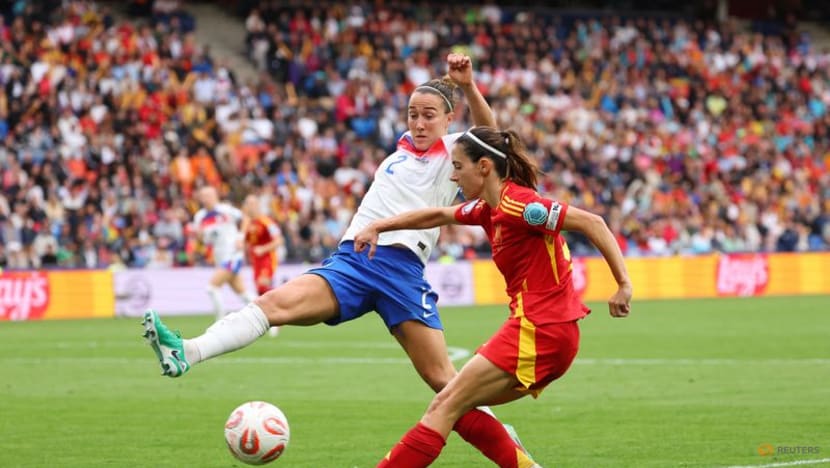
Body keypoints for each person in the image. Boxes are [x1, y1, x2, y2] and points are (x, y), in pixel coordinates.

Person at [142, 53, 537, 465]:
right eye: (412, 115)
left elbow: (491, 136)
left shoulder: (452, 154)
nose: (419, 123)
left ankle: (506, 445)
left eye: (429, 116)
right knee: (272, 304)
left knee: (444, 381)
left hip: (401, 270)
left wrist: (468, 85)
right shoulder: (396, 156)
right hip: (352, 262)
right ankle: (187, 351)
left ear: (448, 119)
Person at [352, 126, 633, 467]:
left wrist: (623, 284)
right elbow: (437, 214)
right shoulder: (488, 209)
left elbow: (593, 223)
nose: (453, 176)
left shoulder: (520, 206)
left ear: (484, 166)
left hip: (539, 329)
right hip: (549, 332)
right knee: (457, 405)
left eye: (458, 167)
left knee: (445, 405)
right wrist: (378, 226)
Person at [192, 186, 257, 320]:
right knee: (242, 292)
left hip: (232, 254)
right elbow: (202, 240)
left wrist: (240, 238)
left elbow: (245, 218)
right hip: (219, 256)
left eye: (209, 195)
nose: (206, 199)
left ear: (215, 196)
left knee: (212, 288)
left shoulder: (225, 209)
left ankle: (220, 321)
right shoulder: (200, 216)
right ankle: (270, 317)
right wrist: (199, 236)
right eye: (203, 196)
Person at [241, 193, 284, 336]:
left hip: (267, 258)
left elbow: (279, 241)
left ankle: (279, 316)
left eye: (252, 203)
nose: (250, 207)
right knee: (260, 291)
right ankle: (274, 316)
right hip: (256, 261)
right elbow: (246, 242)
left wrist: (263, 249)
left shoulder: (267, 222)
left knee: (263, 286)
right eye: (248, 204)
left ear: (258, 205)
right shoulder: (248, 224)